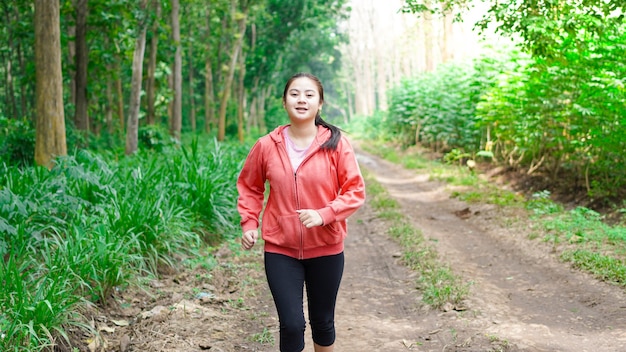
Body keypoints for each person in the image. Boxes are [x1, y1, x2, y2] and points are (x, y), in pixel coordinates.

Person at [237, 72, 366, 352]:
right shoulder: (266, 146)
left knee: (322, 321)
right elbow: (250, 186)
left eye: (309, 95)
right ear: (284, 102)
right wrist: (249, 223)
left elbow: (355, 191)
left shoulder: (336, 144)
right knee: (292, 324)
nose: (301, 100)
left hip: (327, 248)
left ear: (320, 103)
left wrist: (325, 214)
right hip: (280, 249)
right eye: (294, 94)